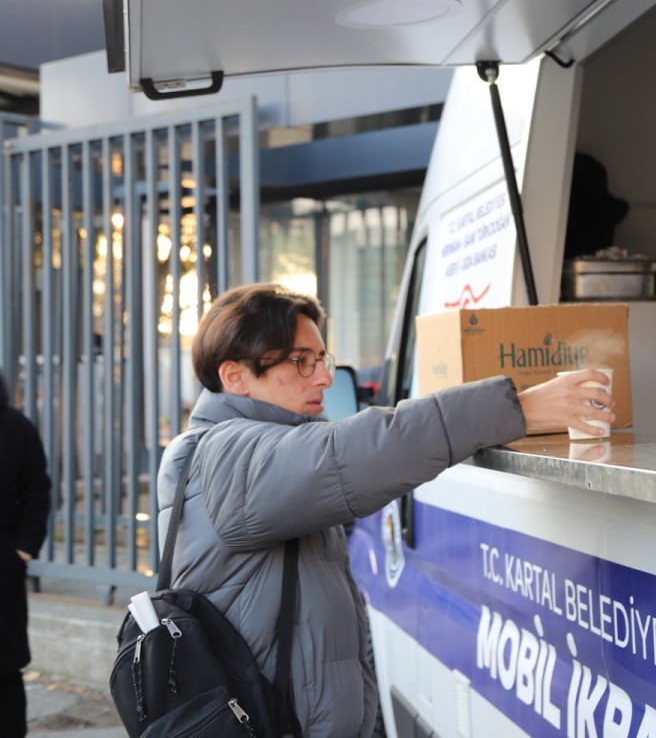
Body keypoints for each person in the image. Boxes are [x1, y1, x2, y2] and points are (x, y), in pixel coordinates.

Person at [157, 282, 614, 738]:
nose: (323, 377)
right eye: (301, 361)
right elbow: (355, 452)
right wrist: (522, 407)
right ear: (234, 376)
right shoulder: (226, 456)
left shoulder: (257, 451)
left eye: (322, 360)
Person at [0, 368, 52, 738]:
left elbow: (37, 491)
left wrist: (22, 550)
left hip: (0, 565)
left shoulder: (15, 427)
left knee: (4, 668)